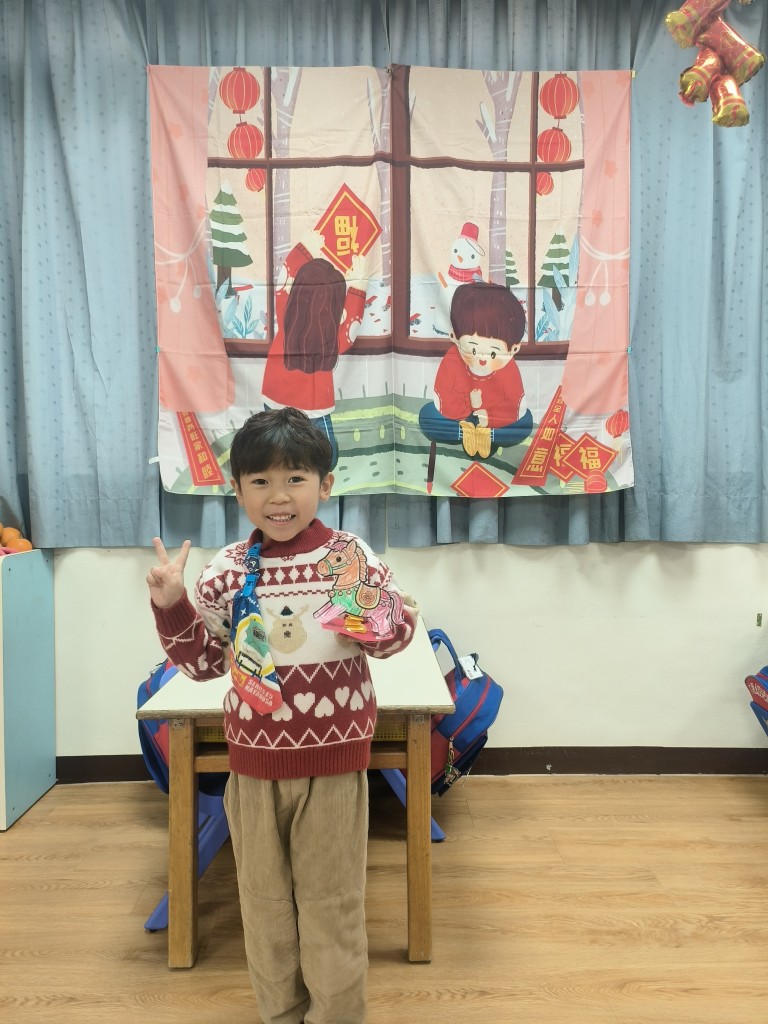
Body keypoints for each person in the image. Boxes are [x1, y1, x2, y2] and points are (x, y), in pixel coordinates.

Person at [146, 407, 418, 1024]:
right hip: (253, 765)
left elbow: (395, 636)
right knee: (264, 905)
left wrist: (374, 620)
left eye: (296, 478)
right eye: (261, 481)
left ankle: (335, 1015)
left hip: (334, 765)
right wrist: (171, 604)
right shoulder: (227, 570)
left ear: (325, 484)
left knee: (332, 904)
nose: (279, 496)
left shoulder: (347, 557)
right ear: (237, 489)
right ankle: (280, 1013)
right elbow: (202, 664)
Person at [261, 243, 367, 469]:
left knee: (272, 455)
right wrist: (358, 284)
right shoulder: (335, 338)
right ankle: (305, 482)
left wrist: (304, 248)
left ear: (298, 292)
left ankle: (290, 480)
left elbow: (284, 277)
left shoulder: (286, 311)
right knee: (328, 457)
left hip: (274, 396)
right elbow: (353, 321)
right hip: (313, 407)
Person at [419, 280, 534, 459]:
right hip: (460, 419)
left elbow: (515, 405)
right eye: (472, 350)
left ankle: (487, 436)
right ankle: (467, 434)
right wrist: (467, 407)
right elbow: (442, 397)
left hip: (494, 420)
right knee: (427, 416)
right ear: (454, 337)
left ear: (513, 350)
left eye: (493, 353)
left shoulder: (509, 368)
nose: (481, 359)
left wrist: (489, 417)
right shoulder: (453, 358)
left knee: (525, 423)